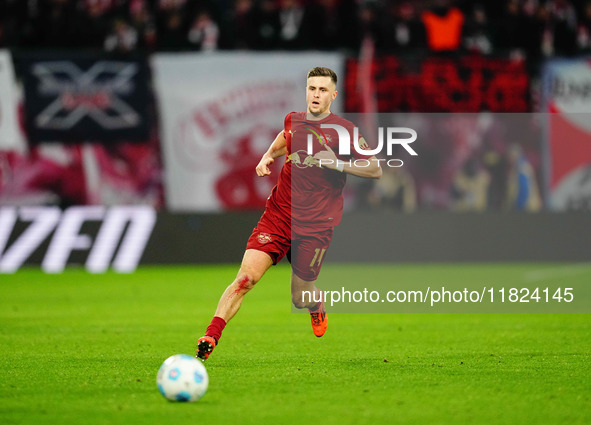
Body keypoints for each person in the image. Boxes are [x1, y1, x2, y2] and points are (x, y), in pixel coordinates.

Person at [196, 67, 382, 360]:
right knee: (246, 279)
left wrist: (337, 164)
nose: (316, 94)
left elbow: (375, 168)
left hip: (316, 226)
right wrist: (268, 155)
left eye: (322, 90)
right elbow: (286, 137)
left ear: (333, 95)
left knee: (299, 297)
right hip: (279, 216)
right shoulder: (294, 120)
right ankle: (211, 334)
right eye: (311, 89)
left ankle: (315, 302)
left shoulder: (345, 132)